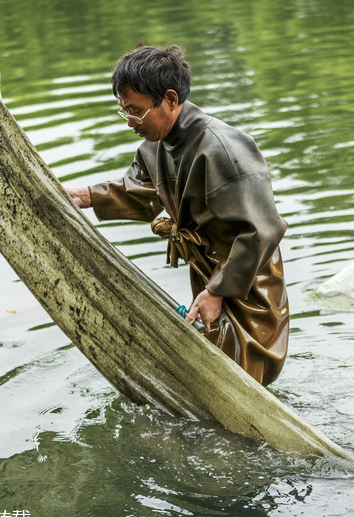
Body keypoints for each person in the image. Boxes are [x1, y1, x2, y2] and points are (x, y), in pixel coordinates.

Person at [65, 44, 289, 386]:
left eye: (136, 111)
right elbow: (140, 192)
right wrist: (86, 196)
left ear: (170, 99)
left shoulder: (224, 149)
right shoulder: (153, 147)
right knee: (207, 372)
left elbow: (262, 230)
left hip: (247, 282)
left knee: (236, 380)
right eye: (123, 110)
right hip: (209, 276)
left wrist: (217, 291)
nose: (129, 122)